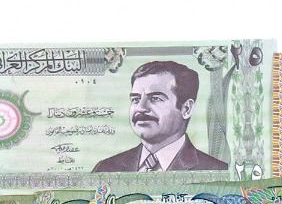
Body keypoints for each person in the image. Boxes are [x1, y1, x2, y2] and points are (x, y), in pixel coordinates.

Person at [92, 61, 227, 173]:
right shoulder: (105, 169)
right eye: (136, 99)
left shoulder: (217, 171)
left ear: (186, 109)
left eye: (155, 98)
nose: (141, 108)